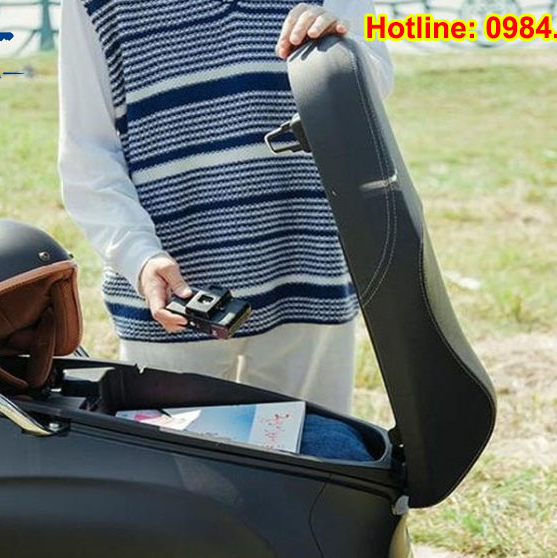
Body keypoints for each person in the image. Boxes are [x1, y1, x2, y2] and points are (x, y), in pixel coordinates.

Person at [59, 1, 392, 414]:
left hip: (309, 268)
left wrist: (341, 53)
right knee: (173, 455)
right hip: (174, 290)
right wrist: (137, 256)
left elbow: (374, 82)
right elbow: (87, 152)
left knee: (315, 447)